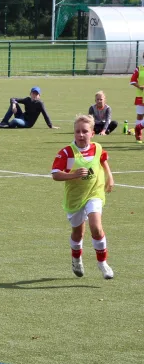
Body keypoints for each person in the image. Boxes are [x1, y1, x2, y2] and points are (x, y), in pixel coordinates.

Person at [51, 114, 114, 280]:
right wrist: (73, 175)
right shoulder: (67, 153)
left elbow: (103, 159)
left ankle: (102, 263)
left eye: (84, 131)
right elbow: (56, 175)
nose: (80, 134)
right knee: (78, 233)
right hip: (75, 198)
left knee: (96, 226)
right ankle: (76, 258)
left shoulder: (97, 148)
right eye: (77, 131)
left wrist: (110, 176)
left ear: (92, 133)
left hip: (94, 193)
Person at [130, 56, 144, 143]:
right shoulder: (139, 68)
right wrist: (139, 86)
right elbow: (132, 80)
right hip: (141, 95)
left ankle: (138, 128)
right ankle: (138, 134)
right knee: (140, 115)